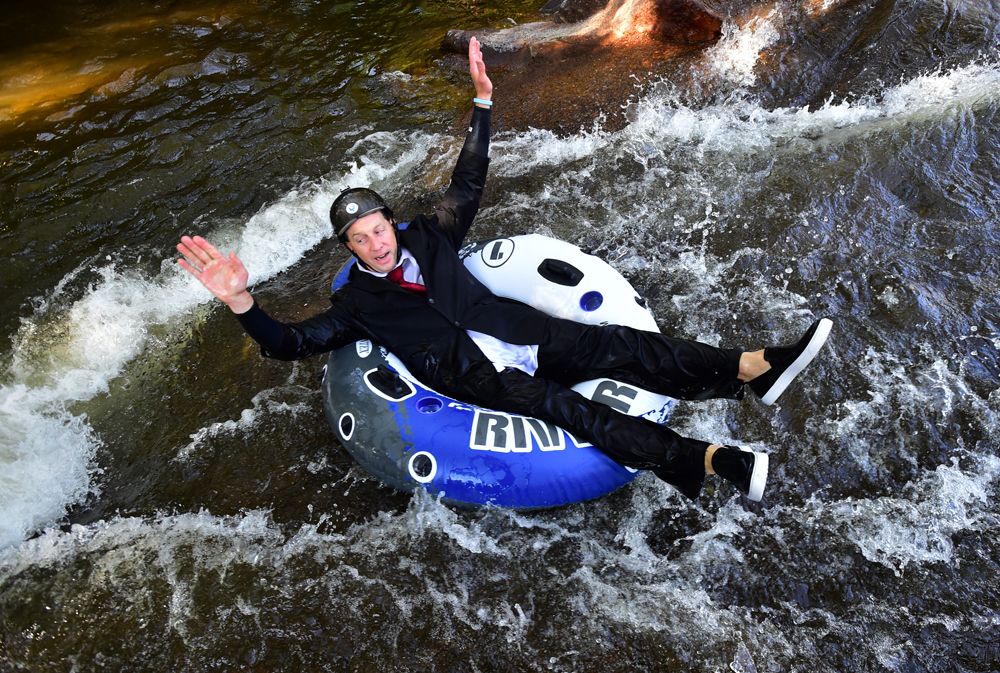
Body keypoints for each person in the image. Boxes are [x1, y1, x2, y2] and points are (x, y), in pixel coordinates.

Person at [177, 37, 832, 502]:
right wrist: (240, 300)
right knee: (577, 415)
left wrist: (484, 105)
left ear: (388, 221)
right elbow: (289, 342)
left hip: (525, 331)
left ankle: (752, 369)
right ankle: (715, 462)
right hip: (484, 381)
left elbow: (468, 181)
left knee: (627, 348)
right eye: (359, 238)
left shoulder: (430, 235)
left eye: (376, 227)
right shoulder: (359, 308)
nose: (374, 242)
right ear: (349, 248)